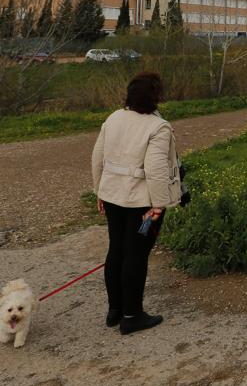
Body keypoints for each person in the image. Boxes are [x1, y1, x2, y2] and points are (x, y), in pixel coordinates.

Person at [91, 71, 182, 335]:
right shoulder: (158, 127)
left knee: (116, 251)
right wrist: (159, 205)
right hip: (142, 202)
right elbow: (155, 169)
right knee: (135, 256)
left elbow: (97, 157)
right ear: (156, 97)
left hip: (113, 196)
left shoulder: (114, 118)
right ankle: (132, 315)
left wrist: (100, 191)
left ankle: (115, 310)